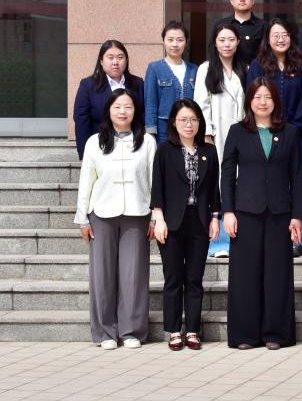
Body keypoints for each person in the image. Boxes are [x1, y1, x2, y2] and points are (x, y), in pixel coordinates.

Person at [221, 79, 302, 350]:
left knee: (277, 273)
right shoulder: (237, 132)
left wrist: (298, 215)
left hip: (280, 212)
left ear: (275, 101)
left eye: (268, 96)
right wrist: (228, 211)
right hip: (246, 211)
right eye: (257, 97)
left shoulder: (289, 132)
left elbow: (296, 176)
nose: (262, 102)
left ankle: (276, 334)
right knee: (245, 274)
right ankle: (245, 334)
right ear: (249, 101)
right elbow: (227, 174)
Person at [74, 89, 157, 349]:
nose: (123, 111)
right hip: (101, 214)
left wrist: (155, 217)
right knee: (102, 275)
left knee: (134, 275)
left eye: (128, 106)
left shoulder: (147, 142)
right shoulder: (94, 142)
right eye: (117, 107)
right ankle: (105, 332)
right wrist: (82, 219)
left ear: (135, 110)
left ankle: (131, 330)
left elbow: (154, 182)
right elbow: (86, 181)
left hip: (137, 213)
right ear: (108, 110)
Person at [150, 99, 219, 351]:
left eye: (193, 120)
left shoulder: (209, 151)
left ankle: (192, 330)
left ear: (200, 122)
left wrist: (215, 218)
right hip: (171, 223)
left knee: (194, 278)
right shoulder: (165, 150)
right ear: (173, 123)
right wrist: (158, 219)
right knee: (173, 278)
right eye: (183, 120)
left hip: (199, 221)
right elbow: (157, 187)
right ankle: (173, 331)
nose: (189, 125)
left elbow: (213, 189)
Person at [194, 23, 246, 258]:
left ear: (238, 42)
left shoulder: (244, 68)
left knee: (236, 182)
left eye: (231, 40)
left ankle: (236, 237)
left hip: (241, 134)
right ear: (214, 43)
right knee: (217, 184)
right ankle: (217, 243)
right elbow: (201, 104)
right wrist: (207, 134)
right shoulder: (206, 69)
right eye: (222, 40)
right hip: (216, 135)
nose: (227, 44)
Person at [73, 40, 145, 160]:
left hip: (132, 146)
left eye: (120, 57)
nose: (115, 62)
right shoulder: (88, 85)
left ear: (126, 60)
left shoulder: (138, 84)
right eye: (110, 57)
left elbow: (143, 114)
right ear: (101, 61)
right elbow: (81, 120)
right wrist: (84, 153)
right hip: (101, 146)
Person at [246, 18, 302, 134]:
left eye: (285, 35)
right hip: (265, 129)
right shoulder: (257, 65)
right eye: (275, 36)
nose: (281, 39)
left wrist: (295, 127)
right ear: (268, 40)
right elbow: (252, 97)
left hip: (297, 130)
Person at [144, 21, 199, 143]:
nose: (175, 44)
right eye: (170, 40)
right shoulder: (154, 68)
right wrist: (150, 133)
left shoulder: (194, 70)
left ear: (186, 42)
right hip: (163, 130)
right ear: (163, 41)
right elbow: (150, 103)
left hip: (189, 130)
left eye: (180, 40)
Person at [212, 0, 265, 67]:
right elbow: (213, 53)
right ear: (231, 0)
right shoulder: (220, 25)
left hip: (254, 74)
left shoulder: (263, 26)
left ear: (253, 0)